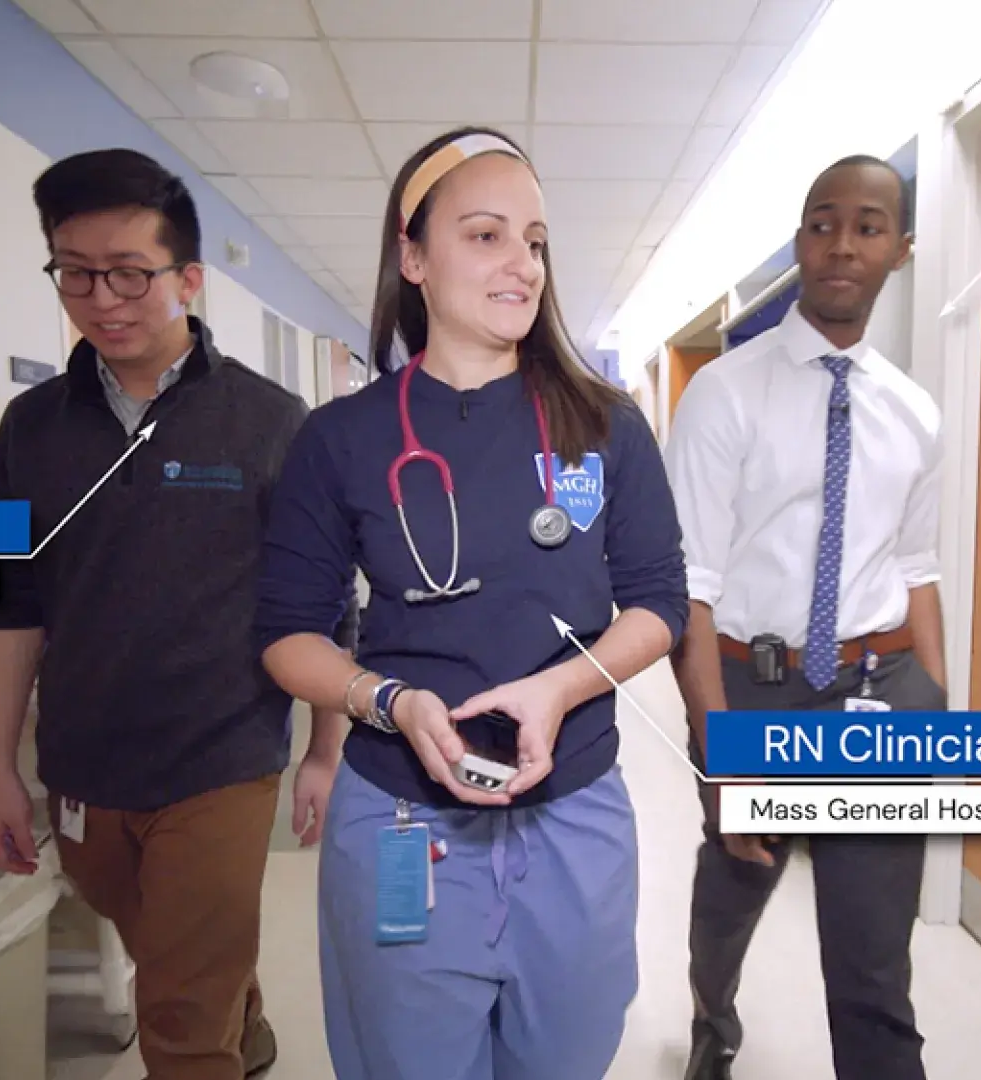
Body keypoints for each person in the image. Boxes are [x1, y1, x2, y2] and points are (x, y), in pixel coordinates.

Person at [253, 126, 689, 1080]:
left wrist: (560, 691)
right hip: (402, 816)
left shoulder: (606, 426)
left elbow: (659, 603)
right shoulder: (340, 440)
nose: (522, 265)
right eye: (487, 235)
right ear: (412, 256)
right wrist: (393, 703)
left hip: (574, 811)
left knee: (567, 1058)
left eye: (534, 240)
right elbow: (288, 636)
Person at [0, 147, 354, 1080]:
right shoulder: (31, 429)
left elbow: (325, 601)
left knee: (177, 1018)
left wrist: (323, 752)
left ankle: (217, 1035)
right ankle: (242, 1012)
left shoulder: (270, 421)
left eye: (130, 274)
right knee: (164, 940)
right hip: (84, 764)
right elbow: (6, 605)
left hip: (219, 756)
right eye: (75, 273)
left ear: (188, 279)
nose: (102, 299)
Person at [664, 154, 946, 1080]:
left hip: (879, 698)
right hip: (756, 688)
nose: (842, 245)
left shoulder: (914, 415)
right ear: (799, 242)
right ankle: (713, 1007)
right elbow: (690, 586)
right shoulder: (724, 394)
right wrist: (716, 747)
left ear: (899, 250)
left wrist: (939, 704)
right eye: (824, 223)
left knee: (874, 962)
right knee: (735, 892)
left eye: (868, 226)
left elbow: (918, 568)